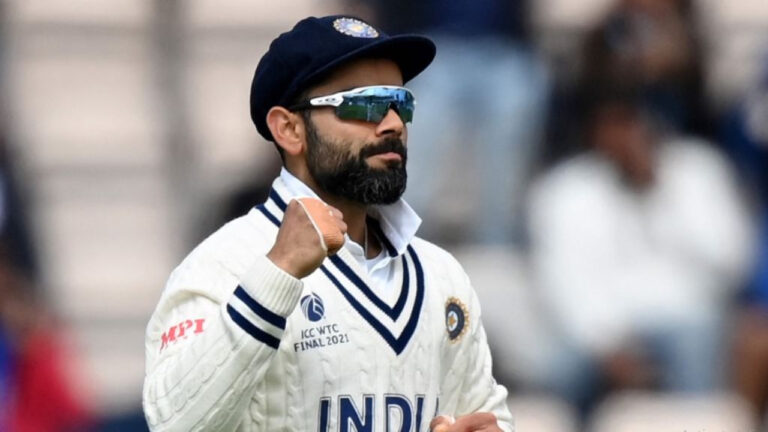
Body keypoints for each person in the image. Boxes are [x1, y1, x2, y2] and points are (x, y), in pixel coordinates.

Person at [142, 15, 513, 432]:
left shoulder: (442, 274)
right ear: (289, 129)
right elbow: (173, 422)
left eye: (401, 103)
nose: (393, 123)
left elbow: (488, 414)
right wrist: (277, 275)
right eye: (365, 103)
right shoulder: (222, 264)